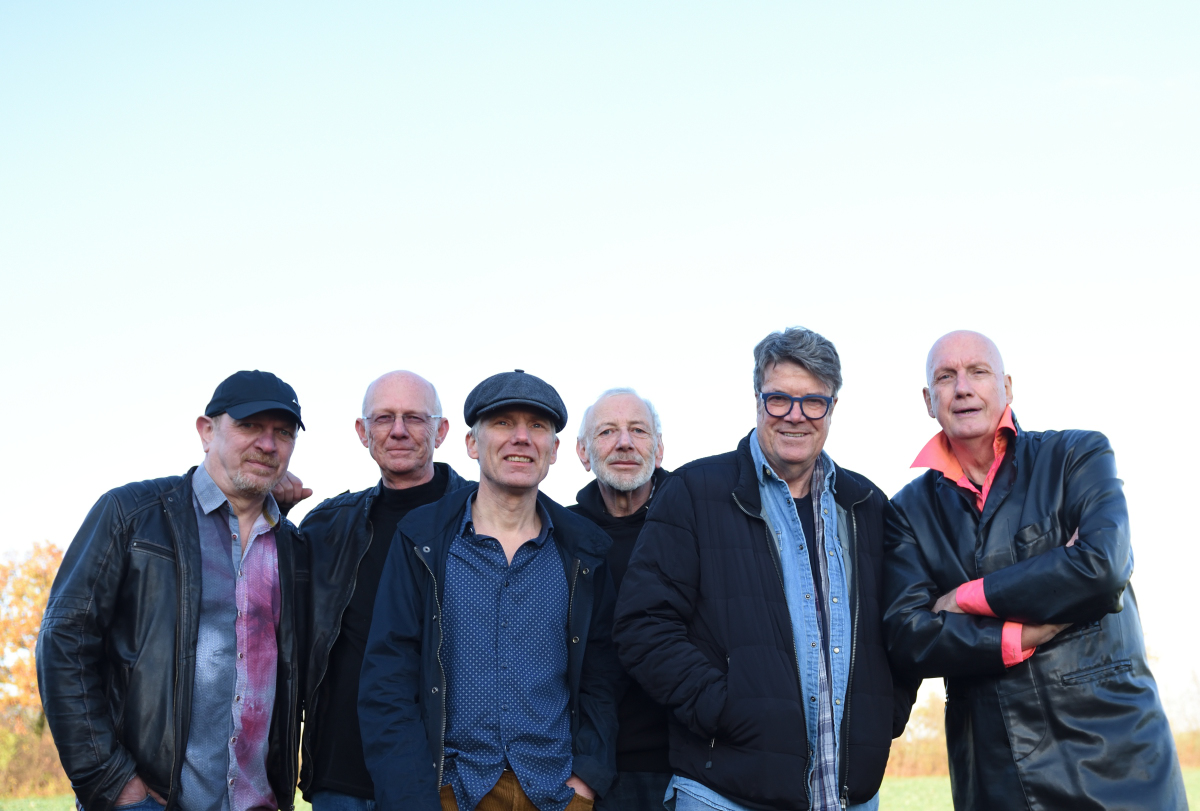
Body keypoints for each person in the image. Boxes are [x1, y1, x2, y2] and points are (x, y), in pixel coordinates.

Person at [883, 329, 1187, 811]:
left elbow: (1102, 566)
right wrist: (1021, 634)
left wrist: (964, 598)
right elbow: (908, 636)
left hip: (1117, 759)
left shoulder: (1077, 455)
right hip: (994, 774)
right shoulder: (906, 511)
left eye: (978, 372)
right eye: (945, 377)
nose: (963, 387)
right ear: (928, 400)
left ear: (1007, 386)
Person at [614, 328, 913, 811]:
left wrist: (883, 716)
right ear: (757, 400)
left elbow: (904, 625)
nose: (795, 415)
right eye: (779, 399)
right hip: (725, 794)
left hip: (851, 796)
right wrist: (725, 708)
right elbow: (642, 625)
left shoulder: (867, 505)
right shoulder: (694, 492)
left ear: (832, 408)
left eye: (813, 401)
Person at [37, 370, 309, 811]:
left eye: (283, 432)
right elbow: (64, 644)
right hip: (146, 801)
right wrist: (113, 784)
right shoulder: (131, 515)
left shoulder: (293, 548)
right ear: (206, 431)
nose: (267, 443)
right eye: (249, 426)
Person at [359, 369, 622, 811]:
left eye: (537, 425)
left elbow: (603, 677)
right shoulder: (421, 540)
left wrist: (586, 781)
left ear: (554, 449)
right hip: (449, 792)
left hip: (558, 793)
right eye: (502, 423)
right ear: (471, 444)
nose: (521, 437)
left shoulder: (585, 550)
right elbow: (387, 681)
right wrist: (412, 799)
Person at [289, 371, 471, 810]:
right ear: (362, 431)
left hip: (447, 774)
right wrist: (269, 510)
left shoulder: (480, 516)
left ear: (441, 431)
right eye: (384, 418)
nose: (399, 430)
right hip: (340, 775)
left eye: (415, 418)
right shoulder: (326, 526)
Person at [568, 388, 671, 811]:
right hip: (586, 772)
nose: (624, 443)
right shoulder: (560, 533)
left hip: (691, 770)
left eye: (638, 431)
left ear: (659, 450)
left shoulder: (695, 523)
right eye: (607, 431)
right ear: (583, 452)